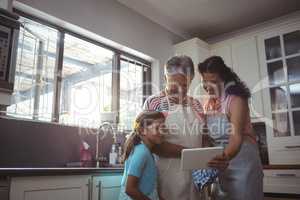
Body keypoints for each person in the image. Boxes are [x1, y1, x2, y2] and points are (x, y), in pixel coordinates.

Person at [143, 55, 228, 200]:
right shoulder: (154, 103)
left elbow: (204, 138)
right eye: (174, 86)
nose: (181, 91)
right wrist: (190, 153)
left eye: (185, 85)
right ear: (165, 78)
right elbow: (149, 143)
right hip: (167, 178)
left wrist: (209, 157)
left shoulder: (196, 104)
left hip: (196, 181)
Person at [198, 56, 264, 200]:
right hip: (221, 163)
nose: (208, 86)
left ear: (224, 79)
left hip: (242, 160)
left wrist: (223, 158)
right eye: (204, 82)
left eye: (213, 82)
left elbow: (236, 137)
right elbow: (208, 137)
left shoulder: (235, 99)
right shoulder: (207, 103)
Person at [119, 111, 166, 200]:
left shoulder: (146, 151)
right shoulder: (142, 152)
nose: (162, 132)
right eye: (157, 128)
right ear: (142, 130)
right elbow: (129, 189)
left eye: (163, 128)